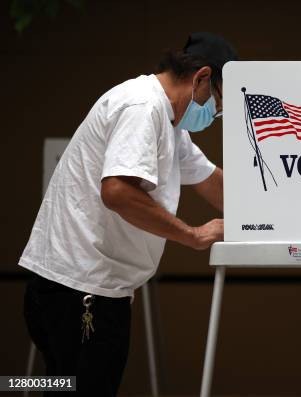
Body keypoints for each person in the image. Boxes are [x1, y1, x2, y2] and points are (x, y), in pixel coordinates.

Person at [19, 32, 237, 396]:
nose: (214, 115)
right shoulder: (143, 108)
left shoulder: (170, 124)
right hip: (81, 294)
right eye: (217, 104)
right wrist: (193, 235)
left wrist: (278, 215)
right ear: (201, 78)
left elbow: (213, 183)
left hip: (75, 289)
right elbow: (117, 191)